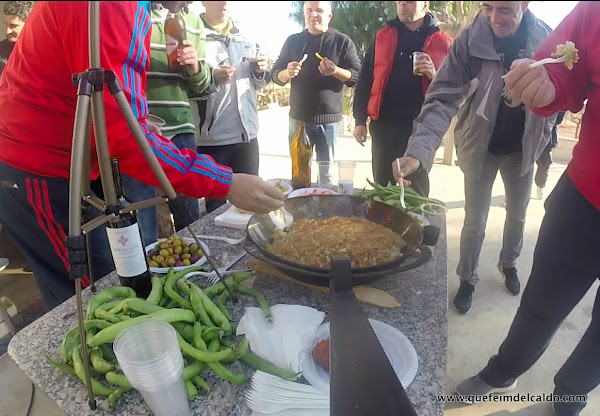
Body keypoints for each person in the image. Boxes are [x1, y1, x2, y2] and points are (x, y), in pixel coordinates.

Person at [0, 1, 284, 310]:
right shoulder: (112, 5)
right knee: (93, 303)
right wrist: (225, 183)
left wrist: (138, 123)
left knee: (108, 284)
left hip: (65, 161)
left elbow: (111, 109)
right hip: (37, 165)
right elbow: (123, 137)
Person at [454, 3, 600, 415]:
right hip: (586, 197)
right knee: (542, 302)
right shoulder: (594, 12)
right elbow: (562, 64)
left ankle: (570, 394)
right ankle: (504, 371)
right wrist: (548, 85)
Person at [393, 1, 556, 314]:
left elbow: (560, 98)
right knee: (474, 220)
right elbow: (442, 98)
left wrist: (547, 144)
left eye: (505, 9)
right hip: (481, 148)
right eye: (487, 7)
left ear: (524, 4)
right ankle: (467, 278)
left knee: (518, 214)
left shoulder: (547, 41)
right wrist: (418, 151)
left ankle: (508, 263)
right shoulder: (469, 41)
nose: (495, 18)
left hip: (522, 149)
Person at [352, 1, 451, 196]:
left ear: (425, 5)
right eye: (399, 1)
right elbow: (365, 79)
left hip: (420, 128)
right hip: (383, 125)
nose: (403, 4)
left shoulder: (443, 42)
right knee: (382, 189)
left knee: (416, 191)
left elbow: (451, 90)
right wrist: (359, 120)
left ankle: (416, 216)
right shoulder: (382, 37)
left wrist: (433, 74)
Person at [191, 1, 269, 213]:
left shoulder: (246, 34)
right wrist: (212, 78)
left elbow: (260, 83)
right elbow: (185, 85)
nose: (224, 2)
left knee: (251, 205)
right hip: (213, 140)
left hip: (247, 136)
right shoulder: (194, 34)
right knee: (216, 211)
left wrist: (260, 71)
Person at [143, 1, 212, 237]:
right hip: (141, 129)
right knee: (147, 222)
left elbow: (203, 84)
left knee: (190, 219)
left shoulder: (193, 21)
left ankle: (194, 260)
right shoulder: (138, 12)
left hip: (182, 129)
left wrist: (195, 68)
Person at [271, 1, 361, 181]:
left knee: (326, 176)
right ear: (304, 14)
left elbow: (356, 76)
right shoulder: (293, 41)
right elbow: (275, 75)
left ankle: (323, 200)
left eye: (319, 11)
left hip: (329, 122)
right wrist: (287, 73)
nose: (313, 15)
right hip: (298, 120)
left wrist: (335, 71)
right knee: (299, 175)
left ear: (329, 16)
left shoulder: (342, 41)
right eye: (309, 11)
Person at [535, 111, 565, 199]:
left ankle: (540, 185)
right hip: (529, 131)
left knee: (544, 164)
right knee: (520, 163)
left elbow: (558, 119)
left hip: (548, 136)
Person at [0, 1, 34, 76]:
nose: (7, 31)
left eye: (13, 26)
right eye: (6, 24)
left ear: (29, 24)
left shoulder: (44, 52)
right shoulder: (1, 50)